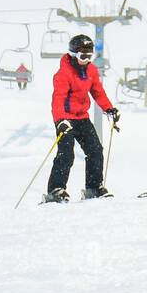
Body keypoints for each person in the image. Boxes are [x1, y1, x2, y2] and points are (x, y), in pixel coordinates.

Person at [44, 34, 118, 202]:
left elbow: (98, 92)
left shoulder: (91, 70)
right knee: (66, 154)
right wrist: (60, 121)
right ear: (73, 54)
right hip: (66, 119)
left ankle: (93, 188)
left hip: (82, 117)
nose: (86, 60)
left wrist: (109, 108)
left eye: (89, 56)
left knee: (95, 151)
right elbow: (58, 99)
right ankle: (55, 190)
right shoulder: (63, 73)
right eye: (82, 56)